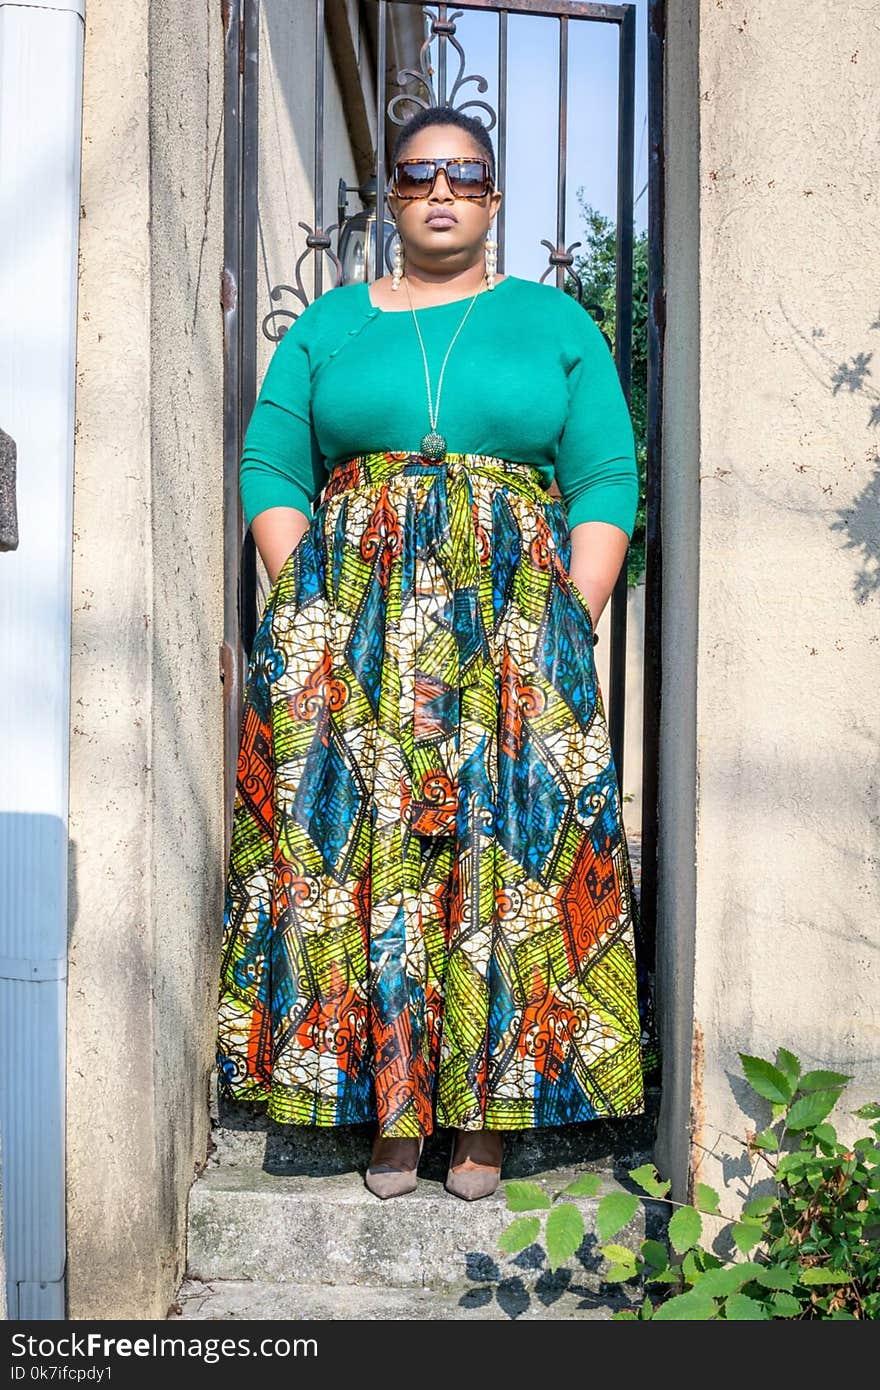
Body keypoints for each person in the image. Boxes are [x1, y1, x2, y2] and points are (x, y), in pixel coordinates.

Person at [216, 102, 647, 1203]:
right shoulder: (331, 322)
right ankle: (385, 1112)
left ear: (493, 198)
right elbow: (272, 459)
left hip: (512, 631)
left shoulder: (557, 324)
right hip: (354, 634)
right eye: (418, 176)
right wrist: (312, 603)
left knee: (502, 858)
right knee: (362, 862)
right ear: (392, 199)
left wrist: (567, 609)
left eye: (462, 175)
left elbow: (604, 474)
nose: (441, 191)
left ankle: (481, 1120)